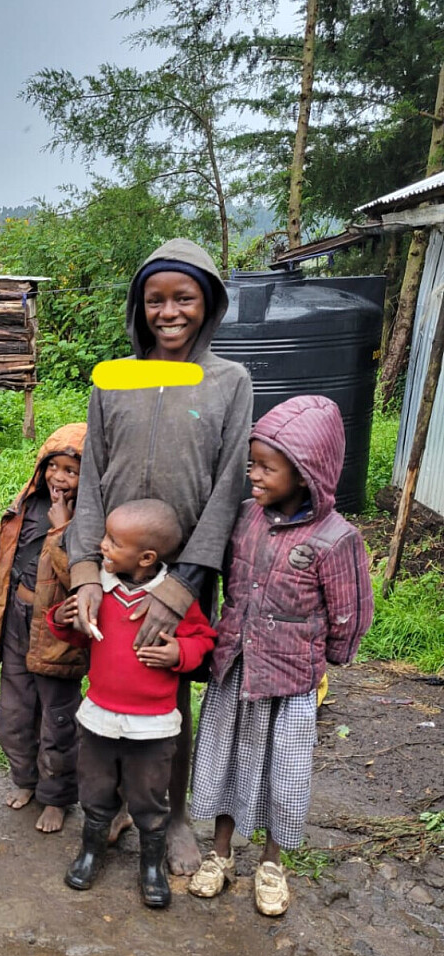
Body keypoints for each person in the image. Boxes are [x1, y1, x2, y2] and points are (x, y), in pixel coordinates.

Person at [67, 239, 253, 875]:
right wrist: (86, 573)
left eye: (184, 298)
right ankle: (118, 805)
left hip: (182, 574)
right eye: (155, 300)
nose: (168, 312)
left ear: (209, 304)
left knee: (167, 692)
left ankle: (171, 818)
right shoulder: (113, 380)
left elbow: (228, 489)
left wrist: (181, 590)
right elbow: (91, 481)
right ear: (138, 306)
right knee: (110, 682)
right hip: (112, 564)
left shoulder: (229, 382)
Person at [189, 395, 373, 915]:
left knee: (283, 771)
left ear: (307, 473)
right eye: (252, 464)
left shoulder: (336, 539)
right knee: (226, 757)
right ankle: (221, 853)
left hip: (291, 680)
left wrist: (326, 658)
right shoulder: (244, 518)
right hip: (235, 668)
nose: (254, 475)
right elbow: (223, 577)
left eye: (267, 468)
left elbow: (350, 612)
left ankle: (271, 864)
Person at [48, 499, 216, 907]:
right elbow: (78, 634)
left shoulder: (173, 600)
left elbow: (204, 640)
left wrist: (179, 652)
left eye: (113, 541)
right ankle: (91, 852)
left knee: (149, 796)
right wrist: (64, 619)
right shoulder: (100, 589)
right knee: (95, 788)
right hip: (100, 718)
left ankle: (151, 866)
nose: (102, 546)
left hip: (152, 725)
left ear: (146, 558)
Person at [0, 423, 88, 834]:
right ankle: (26, 780)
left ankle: (56, 798)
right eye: (53, 467)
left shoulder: (88, 519)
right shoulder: (24, 507)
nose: (60, 477)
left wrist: (62, 528)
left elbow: (79, 577)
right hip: (16, 623)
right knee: (13, 716)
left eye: (71, 471)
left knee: (57, 720)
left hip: (58, 634)